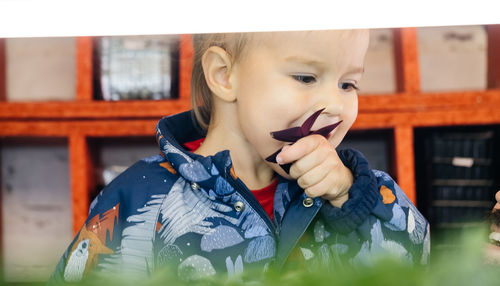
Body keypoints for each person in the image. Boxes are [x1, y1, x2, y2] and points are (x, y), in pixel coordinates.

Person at [48, 30, 430, 284]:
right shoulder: (141, 197)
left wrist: (350, 197)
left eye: (348, 83)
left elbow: (417, 267)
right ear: (225, 75)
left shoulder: (357, 193)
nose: (335, 104)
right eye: (305, 77)